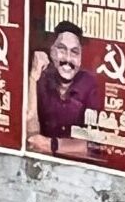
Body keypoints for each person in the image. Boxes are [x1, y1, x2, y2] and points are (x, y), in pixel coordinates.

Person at [26, 22, 103, 159]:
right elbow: (31, 138)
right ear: (51, 51)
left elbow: (95, 145)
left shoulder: (90, 86)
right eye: (61, 49)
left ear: (80, 57)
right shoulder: (41, 79)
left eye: (74, 52)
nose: (67, 59)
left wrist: (52, 145)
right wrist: (33, 79)